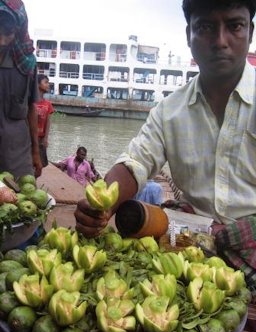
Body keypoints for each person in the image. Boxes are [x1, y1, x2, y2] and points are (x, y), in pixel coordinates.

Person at [75, 0, 256, 297]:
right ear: (189, 35)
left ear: (250, 31)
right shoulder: (169, 111)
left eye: (234, 26)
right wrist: (103, 202)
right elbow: (136, 161)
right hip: (191, 238)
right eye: (206, 27)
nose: (220, 41)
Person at [0, 0, 42, 178]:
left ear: (18, 30)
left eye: (8, 34)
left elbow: (31, 109)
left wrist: (36, 152)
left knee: (23, 199)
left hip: (16, 158)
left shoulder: (27, 65)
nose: (2, 41)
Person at [35, 74, 55, 167]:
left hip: (40, 138)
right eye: (46, 82)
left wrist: (46, 139)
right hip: (29, 137)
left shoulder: (48, 104)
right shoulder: (31, 102)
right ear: (38, 84)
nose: (48, 85)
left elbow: (48, 123)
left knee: (40, 164)